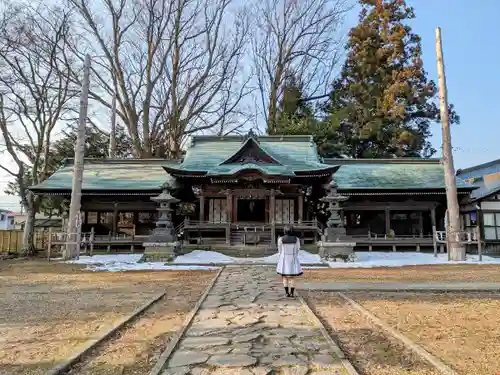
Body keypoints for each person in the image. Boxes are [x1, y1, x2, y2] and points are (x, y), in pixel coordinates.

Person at [276, 226, 303, 297]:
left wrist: (281, 256)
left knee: (284, 276)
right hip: (293, 258)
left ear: (284, 231)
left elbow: (280, 250)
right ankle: (292, 293)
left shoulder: (280, 239)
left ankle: (286, 293)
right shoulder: (296, 239)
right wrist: (294, 255)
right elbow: (298, 249)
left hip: (284, 258)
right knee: (292, 277)